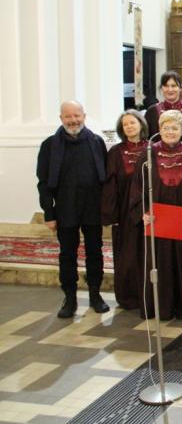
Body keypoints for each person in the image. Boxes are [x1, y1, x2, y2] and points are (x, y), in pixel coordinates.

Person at [130, 110, 182, 320]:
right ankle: (159, 308)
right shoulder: (148, 153)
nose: (170, 131)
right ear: (159, 129)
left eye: (175, 127)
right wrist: (142, 212)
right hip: (157, 222)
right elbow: (137, 186)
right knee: (158, 263)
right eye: (166, 127)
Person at [37, 101, 109, 318]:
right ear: (61, 119)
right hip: (65, 208)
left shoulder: (96, 142)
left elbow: (105, 178)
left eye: (76, 115)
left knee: (95, 253)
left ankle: (95, 294)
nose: (73, 120)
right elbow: (43, 182)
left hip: (92, 208)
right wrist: (49, 213)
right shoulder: (50, 145)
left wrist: (106, 210)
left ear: (84, 116)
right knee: (67, 255)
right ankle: (70, 297)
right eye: (68, 117)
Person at [101, 109, 148, 311]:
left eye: (133, 122)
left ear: (141, 125)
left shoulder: (152, 148)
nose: (129, 126)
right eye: (125, 124)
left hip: (148, 211)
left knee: (147, 255)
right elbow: (110, 185)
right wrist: (111, 215)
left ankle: (149, 295)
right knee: (127, 256)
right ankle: (129, 297)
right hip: (124, 212)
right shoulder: (115, 152)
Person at [145, 71, 182, 144]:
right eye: (166, 86)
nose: (170, 89)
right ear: (161, 88)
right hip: (158, 154)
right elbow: (146, 139)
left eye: (174, 86)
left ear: (180, 88)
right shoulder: (152, 111)